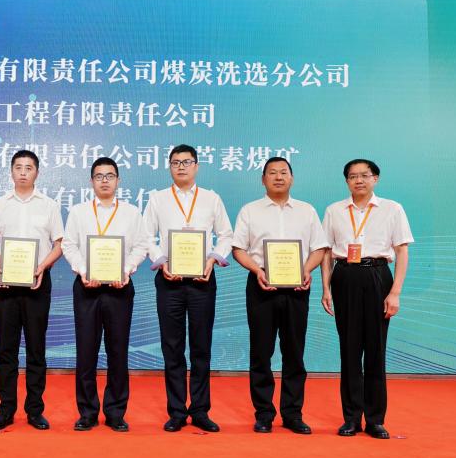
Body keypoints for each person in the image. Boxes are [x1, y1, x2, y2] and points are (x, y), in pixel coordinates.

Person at [231, 157, 328, 434]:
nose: (278, 177)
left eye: (283, 172)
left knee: (294, 352)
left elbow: (319, 248)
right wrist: (257, 271)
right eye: (272, 173)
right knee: (261, 353)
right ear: (263, 179)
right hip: (261, 286)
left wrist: (306, 270)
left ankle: (292, 413)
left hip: (297, 289)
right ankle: (263, 413)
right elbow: (238, 249)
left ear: (292, 178)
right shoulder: (250, 211)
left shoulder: (307, 211)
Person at [142, 144, 233, 432]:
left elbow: (226, 235)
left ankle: (201, 410)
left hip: (202, 281)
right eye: (175, 162)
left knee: (201, 346)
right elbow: (146, 236)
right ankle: (177, 411)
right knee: (172, 347)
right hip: (169, 280)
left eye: (186, 161)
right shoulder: (157, 199)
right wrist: (161, 261)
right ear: (169, 166)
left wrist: (213, 259)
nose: (181, 166)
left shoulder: (211, 198)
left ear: (196, 166)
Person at [321, 159, 413, 439]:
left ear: (376, 179)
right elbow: (326, 252)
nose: (358, 180)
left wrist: (395, 292)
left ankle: (375, 419)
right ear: (346, 181)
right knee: (349, 350)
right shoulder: (334, 210)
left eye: (364, 175)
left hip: (377, 275)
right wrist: (326, 288)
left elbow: (402, 251)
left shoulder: (392, 209)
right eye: (352, 176)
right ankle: (351, 418)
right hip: (345, 276)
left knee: (375, 349)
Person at [61, 157, 151, 433]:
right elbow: (69, 245)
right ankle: (87, 412)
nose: (104, 181)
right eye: (99, 176)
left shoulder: (131, 213)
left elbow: (141, 246)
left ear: (118, 180)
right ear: (91, 181)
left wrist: (126, 270)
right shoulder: (78, 212)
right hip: (86, 288)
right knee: (86, 352)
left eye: (109, 176)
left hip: (119, 288)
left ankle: (115, 412)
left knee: (118, 351)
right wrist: (83, 270)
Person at [0, 150, 64, 431]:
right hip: (6, 284)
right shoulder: (1, 205)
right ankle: (5, 410)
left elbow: (59, 244)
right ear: (11, 172)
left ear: (37, 172)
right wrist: (0, 264)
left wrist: (41, 267)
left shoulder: (49, 206)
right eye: (18, 167)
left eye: (29, 168)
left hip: (38, 283)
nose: (23, 172)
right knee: (6, 349)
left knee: (36, 349)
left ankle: (35, 410)